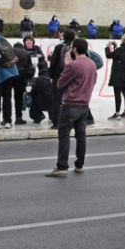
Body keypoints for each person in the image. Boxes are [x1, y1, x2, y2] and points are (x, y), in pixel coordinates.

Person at [46, 39, 96, 177]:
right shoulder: (92, 64)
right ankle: (79, 164)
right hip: (84, 103)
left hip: (71, 103)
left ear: (74, 50)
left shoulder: (73, 65)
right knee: (81, 134)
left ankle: (62, 165)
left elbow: (60, 84)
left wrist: (67, 65)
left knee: (64, 134)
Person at [105, 34, 125, 120]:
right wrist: (116, 47)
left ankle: (117, 113)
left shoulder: (121, 49)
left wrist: (108, 47)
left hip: (118, 74)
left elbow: (109, 55)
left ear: (123, 40)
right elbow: (120, 56)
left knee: (117, 93)